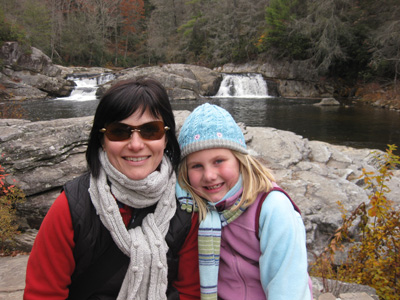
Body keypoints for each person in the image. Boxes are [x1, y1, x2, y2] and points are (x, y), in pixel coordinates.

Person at [24, 78, 200, 300]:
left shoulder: (185, 207)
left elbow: (189, 293)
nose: (136, 144)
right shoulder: (71, 207)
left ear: (166, 138)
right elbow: (43, 294)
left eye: (150, 130)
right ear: (103, 140)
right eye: (119, 131)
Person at [176, 103, 312, 300]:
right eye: (196, 166)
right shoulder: (192, 205)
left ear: (239, 159)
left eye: (219, 161)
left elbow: (287, 286)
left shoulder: (273, 208)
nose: (209, 175)